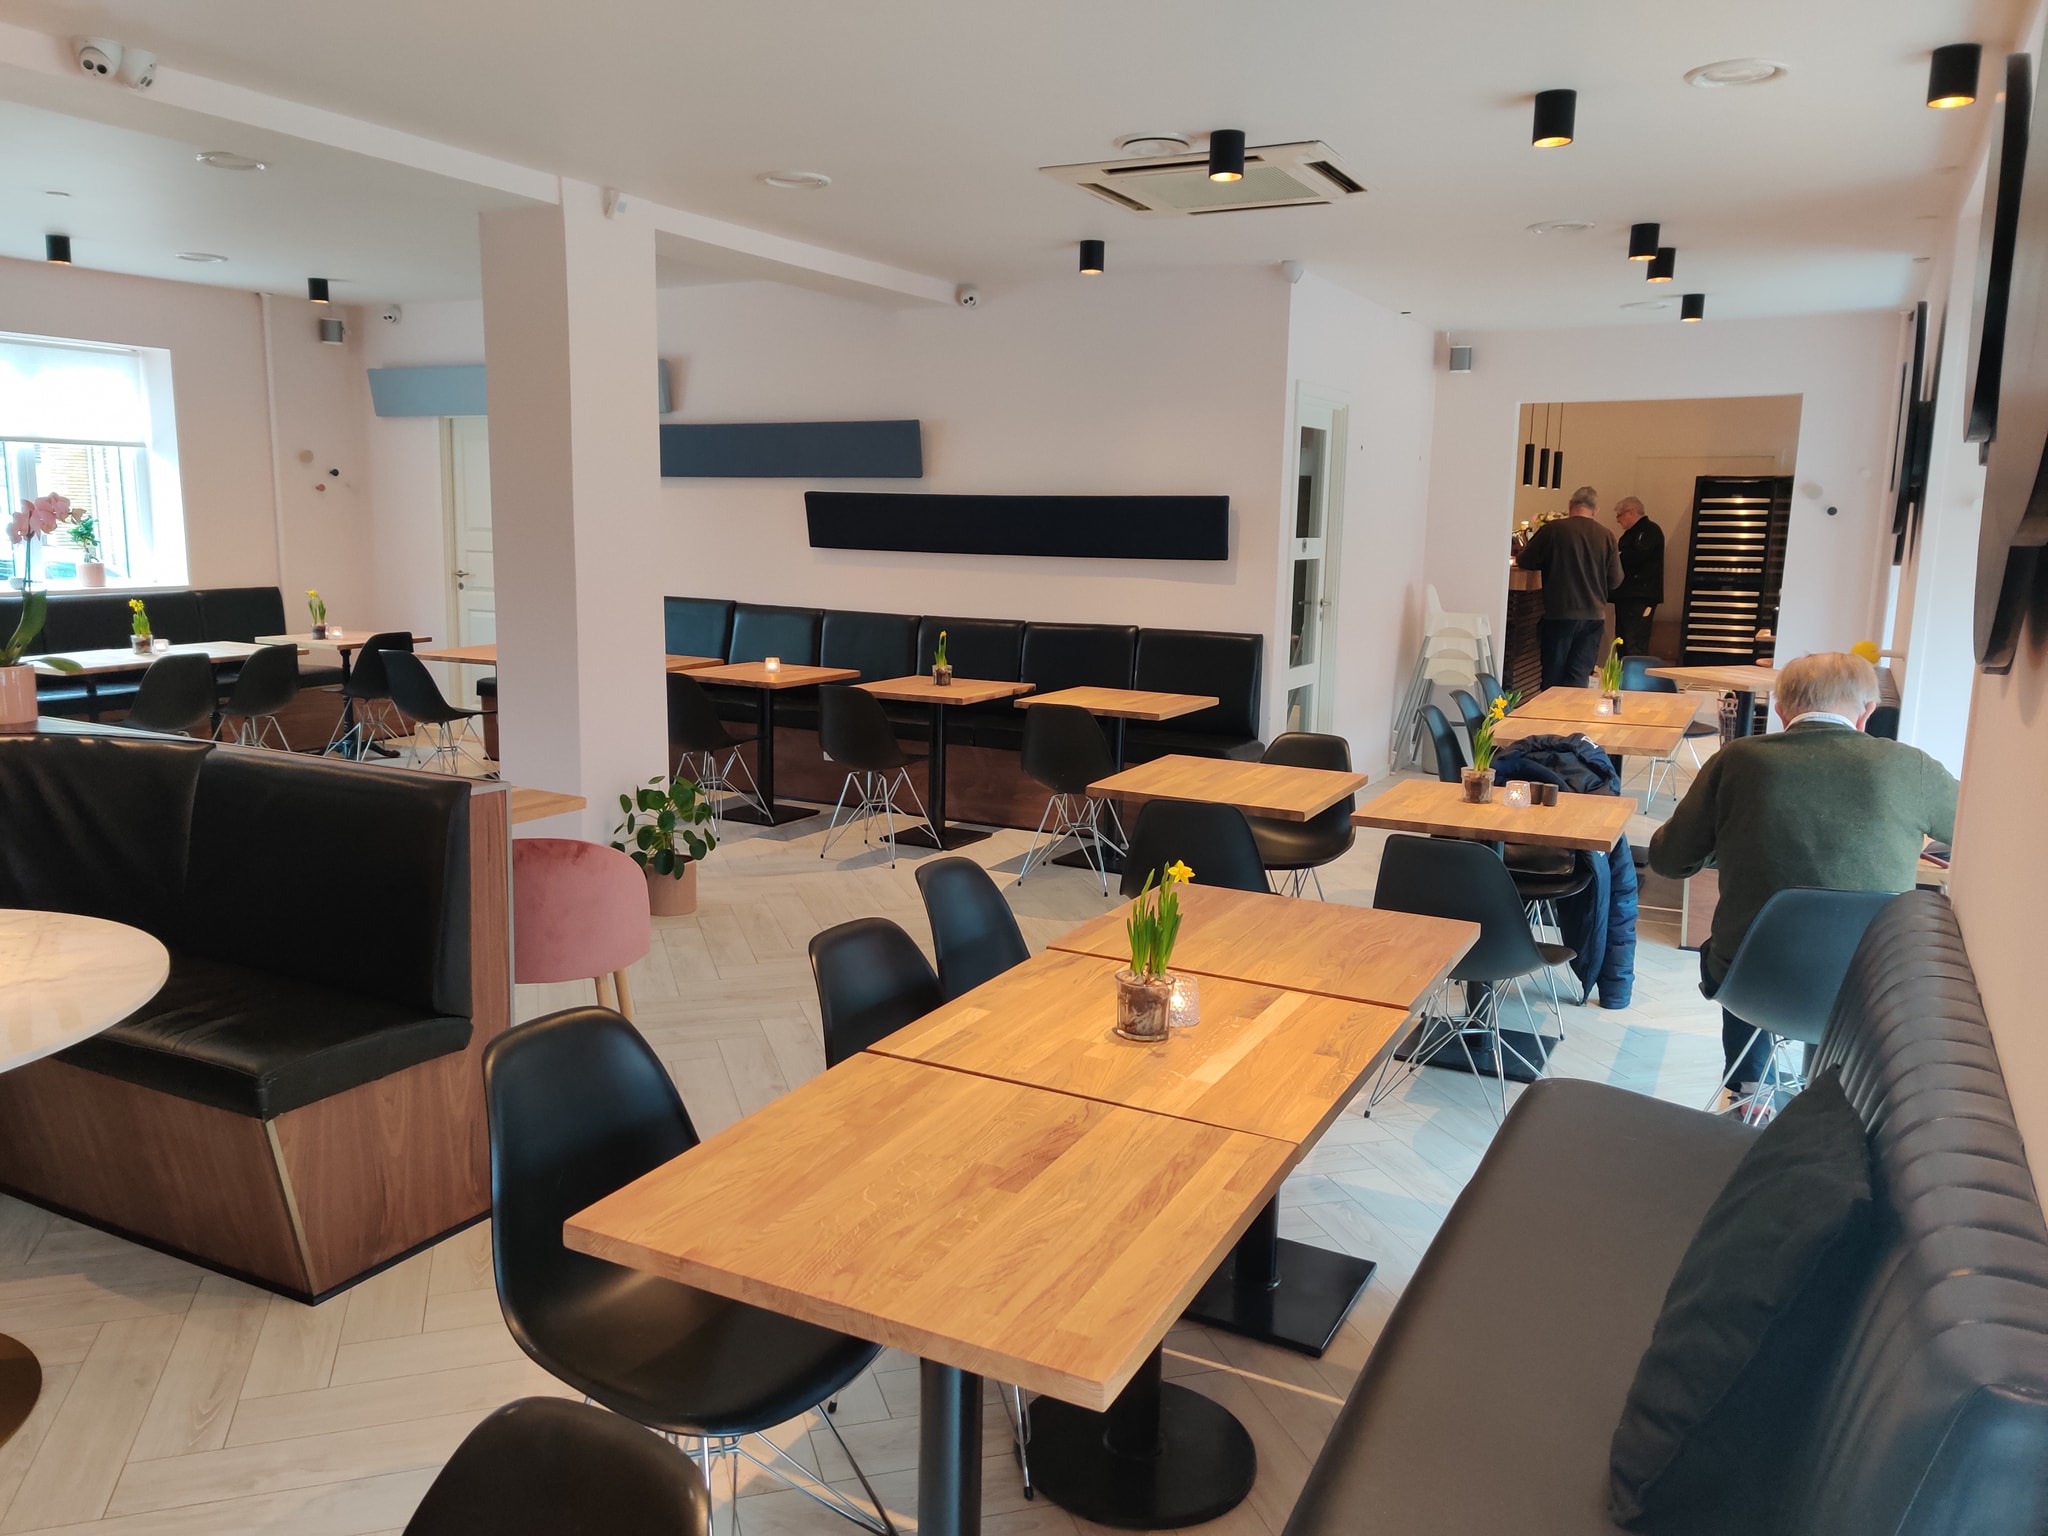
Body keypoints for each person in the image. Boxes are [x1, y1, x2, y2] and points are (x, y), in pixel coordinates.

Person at [1647, 652, 1958, 1096]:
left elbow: (1669, 860)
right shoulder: (1912, 766)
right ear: (1868, 712)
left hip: (1749, 982)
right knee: (1843, 961)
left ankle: (1748, 1092)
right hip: (1870, 992)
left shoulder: (1737, 759)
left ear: (1780, 710)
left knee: (1748, 941)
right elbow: (1978, 830)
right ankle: (1830, 1092)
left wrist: (1733, 849)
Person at [1515, 486, 1623, 689]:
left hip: (1560, 614)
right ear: (1595, 510)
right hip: (1593, 616)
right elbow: (1615, 580)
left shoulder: (1553, 530)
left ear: (1571, 505)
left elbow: (1526, 560)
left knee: (1553, 679)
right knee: (1579, 678)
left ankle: (1551, 710)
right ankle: (1573, 709)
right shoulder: (1606, 536)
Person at [1611, 496, 1664, 658]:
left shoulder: (1649, 531)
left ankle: (1634, 674)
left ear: (1631, 512)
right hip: (1627, 596)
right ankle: (1623, 672)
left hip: (1640, 596)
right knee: (1622, 641)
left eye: (1619, 515)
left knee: (1635, 642)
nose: (1618, 520)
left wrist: (1618, 556)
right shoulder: (1630, 534)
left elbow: (1637, 557)